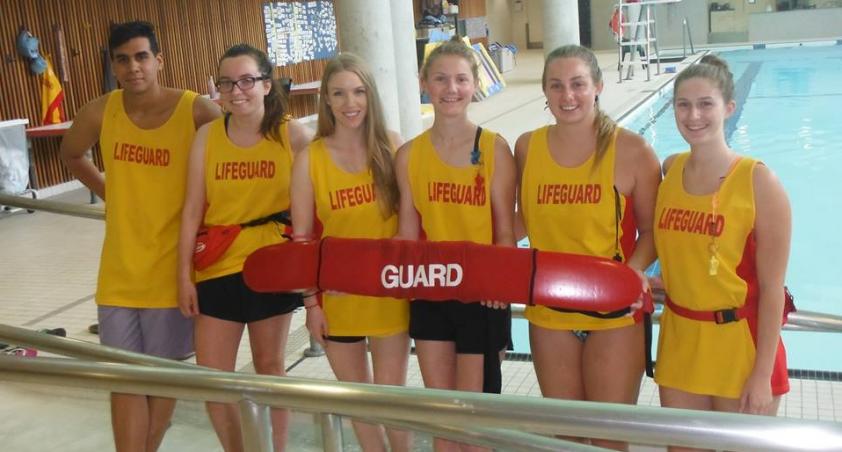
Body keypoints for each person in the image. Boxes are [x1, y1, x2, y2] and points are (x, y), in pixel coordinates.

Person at [60, 21, 220, 452]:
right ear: (113, 65)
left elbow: (232, 155)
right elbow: (71, 153)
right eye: (123, 59)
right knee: (123, 376)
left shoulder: (197, 110)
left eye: (142, 57)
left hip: (173, 267)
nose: (133, 68)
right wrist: (109, 190)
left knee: (160, 374)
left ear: (159, 60)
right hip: (119, 269)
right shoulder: (101, 111)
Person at [514, 45, 660, 450]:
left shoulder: (632, 151)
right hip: (549, 311)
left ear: (598, 86)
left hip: (613, 314)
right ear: (543, 92)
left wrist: (630, 274)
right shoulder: (527, 147)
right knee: (566, 437)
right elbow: (522, 218)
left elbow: (652, 232)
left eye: (578, 84)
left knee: (609, 437)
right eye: (556, 86)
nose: (568, 96)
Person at [177, 43, 312, 452]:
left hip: (272, 265)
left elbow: (315, 209)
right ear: (216, 87)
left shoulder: (292, 136)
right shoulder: (207, 137)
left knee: (270, 368)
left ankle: (276, 448)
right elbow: (191, 211)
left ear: (266, 84)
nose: (237, 91)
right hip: (217, 263)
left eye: (247, 81)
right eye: (226, 82)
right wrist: (183, 275)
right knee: (212, 375)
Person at [654, 55, 791, 436]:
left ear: (729, 108)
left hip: (739, 346)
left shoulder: (759, 182)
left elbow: (772, 289)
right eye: (683, 104)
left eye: (705, 104)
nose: (693, 115)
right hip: (681, 339)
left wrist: (762, 374)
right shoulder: (670, 170)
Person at [395, 37, 515, 452]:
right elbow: (407, 234)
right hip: (430, 293)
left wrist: (500, 285)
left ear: (475, 83)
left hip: (481, 296)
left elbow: (504, 231)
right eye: (441, 79)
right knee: (442, 415)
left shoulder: (495, 148)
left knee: (476, 420)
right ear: (424, 82)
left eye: (461, 79)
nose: (451, 88)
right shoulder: (409, 155)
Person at [290, 52, 411, 452]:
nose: (349, 103)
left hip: (389, 293)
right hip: (338, 299)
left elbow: (414, 222)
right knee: (359, 404)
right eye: (339, 93)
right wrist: (312, 306)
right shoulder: (310, 159)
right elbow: (303, 241)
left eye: (358, 92)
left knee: (393, 402)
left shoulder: (391, 147)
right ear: (325, 99)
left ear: (370, 96)